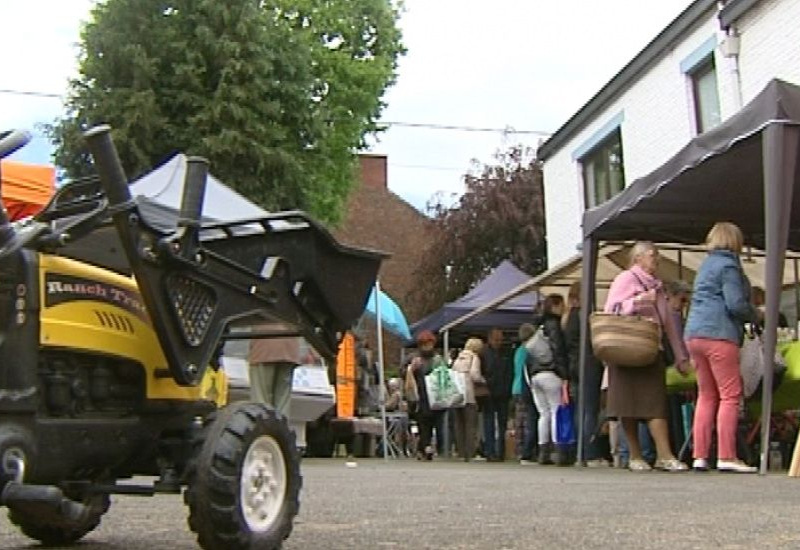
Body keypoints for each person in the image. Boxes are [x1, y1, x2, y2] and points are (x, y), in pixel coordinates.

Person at [603, 241, 690, 472]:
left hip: (651, 350)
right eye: (653, 255)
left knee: (655, 404)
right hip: (625, 348)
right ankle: (634, 455)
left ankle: (664, 454)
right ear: (638, 258)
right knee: (627, 405)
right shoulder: (625, 279)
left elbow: (668, 324)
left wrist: (680, 356)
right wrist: (638, 301)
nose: (657, 260)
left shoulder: (658, 287)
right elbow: (611, 310)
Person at [685, 222, 758, 473]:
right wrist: (755, 314)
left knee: (706, 395)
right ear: (735, 241)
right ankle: (727, 456)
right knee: (730, 395)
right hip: (719, 333)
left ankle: (699, 455)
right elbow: (735, 304)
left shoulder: (705, 266)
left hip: (694, 334)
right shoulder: (729, 266)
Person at [562, 281, 607, 467]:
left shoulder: (567, 318)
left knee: (581, 409)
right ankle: (590, 453)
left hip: (574, 366)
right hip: (587, 363)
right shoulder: (583, 316)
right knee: (589, 409)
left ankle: (581, 451)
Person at [528, 294, 570, 465]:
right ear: (555, 305)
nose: (564, 308)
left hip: (535, 375)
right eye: (562, 305)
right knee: (555, 411)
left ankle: (542, 451)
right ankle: (558, 451)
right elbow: (558, 350)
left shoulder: (537, 326)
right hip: (551, 373)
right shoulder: (554, 325)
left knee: (543, 414)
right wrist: (564, 374)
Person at [408, 330, 448, 460]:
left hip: (436, 396)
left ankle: (426, 449)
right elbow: (404, 374)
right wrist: (411, 369)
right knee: (423, 424)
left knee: (434, 423)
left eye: (429, 343)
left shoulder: (438, 359)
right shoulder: (414, 359)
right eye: (425, 344)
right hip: (420, 397)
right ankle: (425, 448)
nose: (427, 346)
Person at [248, 335, 303, 417]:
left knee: (260, 401)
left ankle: (262, 428)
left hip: (263, 347)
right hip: (289, 347)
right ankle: (280, 427)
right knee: (283, 404)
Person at [451, 338, 485, 461]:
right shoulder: (474, 358)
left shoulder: (457, 359)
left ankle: (460, 452)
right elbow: (474, 375)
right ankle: (470, 453)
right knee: (471, 425)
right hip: (469, 395)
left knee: (459, 425)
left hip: (457, 396)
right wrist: (483, 380)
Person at [480, 328, 512, 462]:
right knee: (489, 422)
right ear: (490, 339)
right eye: (496, 340)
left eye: (500, 340)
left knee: (502, 423)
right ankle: (489, 451)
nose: (498, 342)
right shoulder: (484, 353)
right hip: (489, 392)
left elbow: (509, 371)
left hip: (503, 391)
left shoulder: (507, 352)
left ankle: (501, 452)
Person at [512, 323, 538, 465]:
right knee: (528, 420)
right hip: (525, 387)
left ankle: (519, 450)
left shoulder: (518, 351)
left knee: (519, 422)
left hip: (516, 387)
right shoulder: (529, 350)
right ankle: (527, 452)